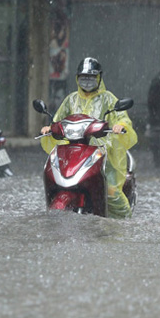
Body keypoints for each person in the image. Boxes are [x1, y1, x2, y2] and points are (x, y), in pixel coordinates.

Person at [40, 57, 137, 218]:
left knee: (111, 192)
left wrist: (121, 126)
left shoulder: (108, 98)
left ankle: (124, 225)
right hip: (73, 149)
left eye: (91, 78)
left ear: (99, 78)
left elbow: (122, 118)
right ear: (77, 79)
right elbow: (58, 119)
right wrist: (49, 128)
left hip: (102, 152)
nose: (87, 82)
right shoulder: (71, 99)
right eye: (83, 78)